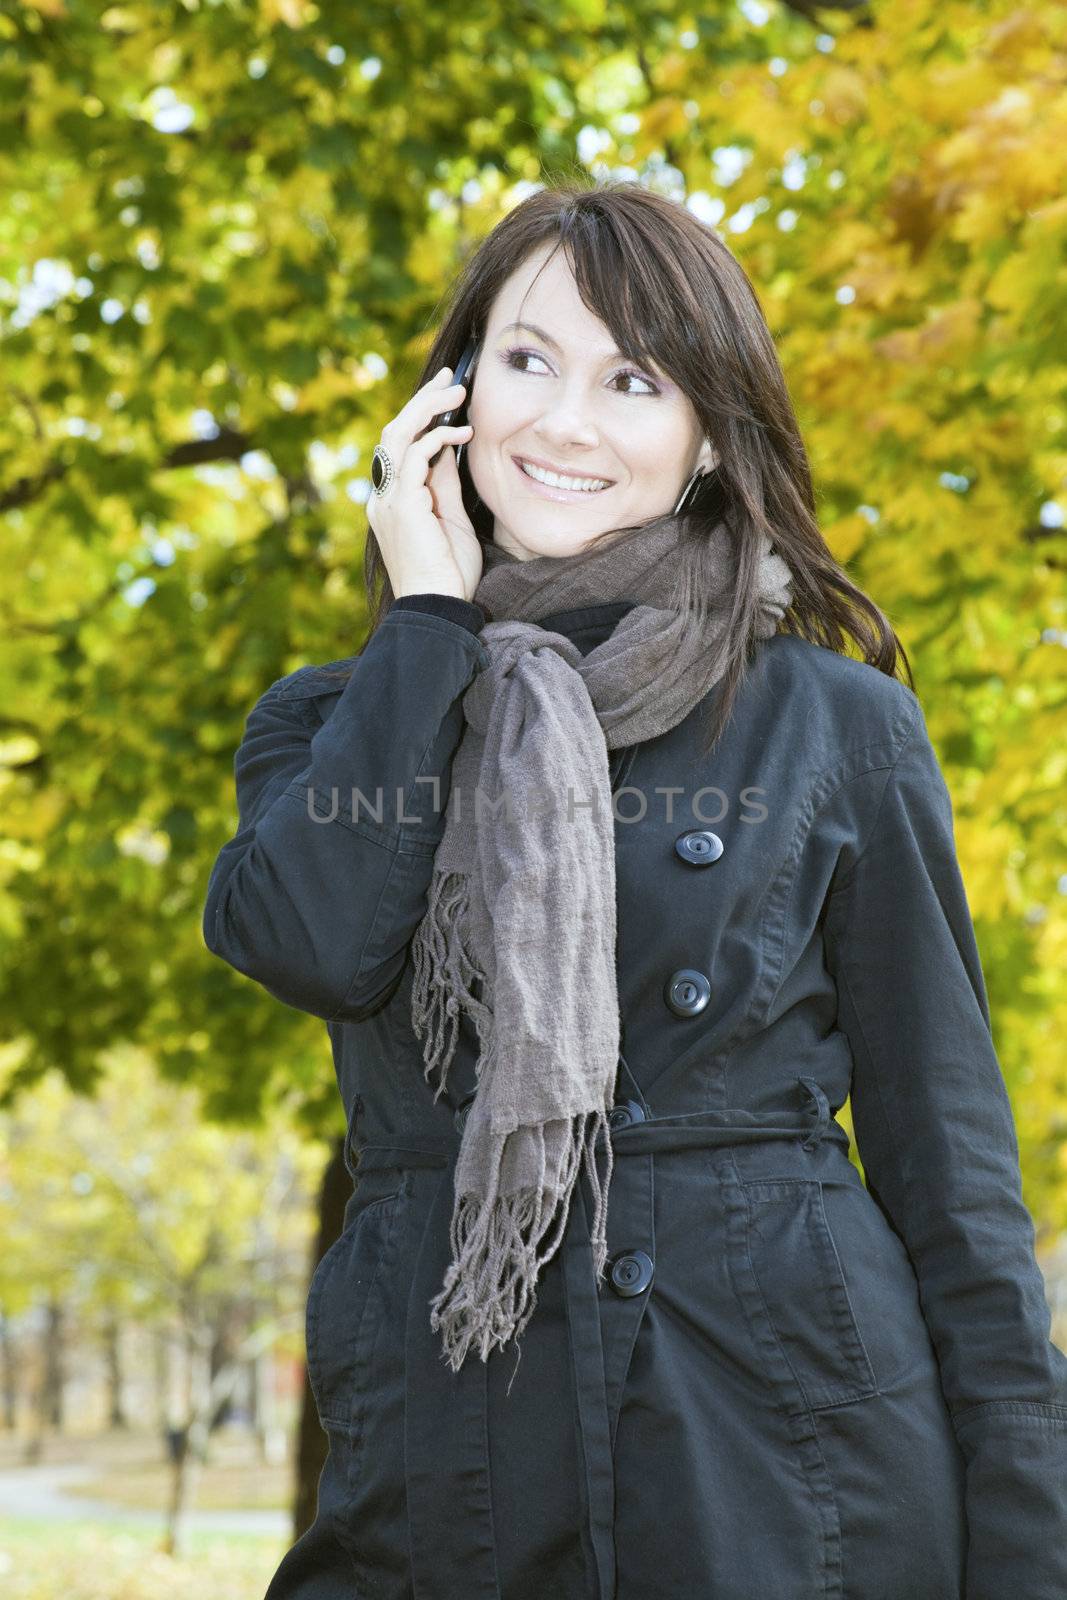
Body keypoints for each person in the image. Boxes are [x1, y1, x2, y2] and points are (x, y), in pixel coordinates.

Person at [202, 180, 1067, 1600]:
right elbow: (313, 942)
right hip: (448, 1468)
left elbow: (953, 1179)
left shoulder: (832, 725)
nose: (562, 421)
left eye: (632, 380)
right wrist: (427, 622)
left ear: (709, 437)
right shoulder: (336, 720)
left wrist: (1032, 1554)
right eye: (526, 360)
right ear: (453, 394)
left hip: (782, 1467)